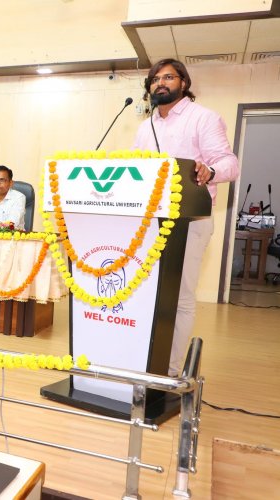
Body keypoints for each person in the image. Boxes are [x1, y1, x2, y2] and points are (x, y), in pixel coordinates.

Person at [133, 58, 239, 376]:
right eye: (154, 79)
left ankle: (170, 370)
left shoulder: (202, 118)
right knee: (148, 293)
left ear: (184, 82)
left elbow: (230, 164)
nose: (160, 83)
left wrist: (210, 170)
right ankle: (144, 360)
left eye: (168, 77)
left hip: (190, 221)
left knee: (179, 296)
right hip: (150, 221)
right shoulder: (145, 126)